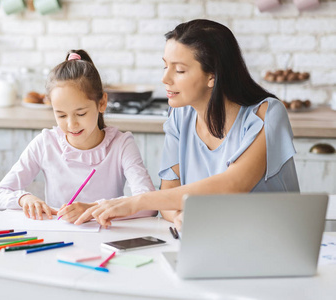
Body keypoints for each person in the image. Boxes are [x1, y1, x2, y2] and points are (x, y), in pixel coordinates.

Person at [75, 19, 300, 229]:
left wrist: (137, 201)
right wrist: (181, 217)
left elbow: (234, 184)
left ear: (212, 76)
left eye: (179, 70)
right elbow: (169, 197)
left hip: (276, 238)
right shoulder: (180, 116)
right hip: (217, 239)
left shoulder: (266, 114)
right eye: (165, 66)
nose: (165, 78)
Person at [0, 49, 156, 223]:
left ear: (102, 103)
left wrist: (92, 209)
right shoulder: (46, 143)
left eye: (81, 114)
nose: (71, 124)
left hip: (105, 240)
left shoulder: (121, 144)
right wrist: (23, 199)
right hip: (58, 239)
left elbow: (149, 204)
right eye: (61, 115)